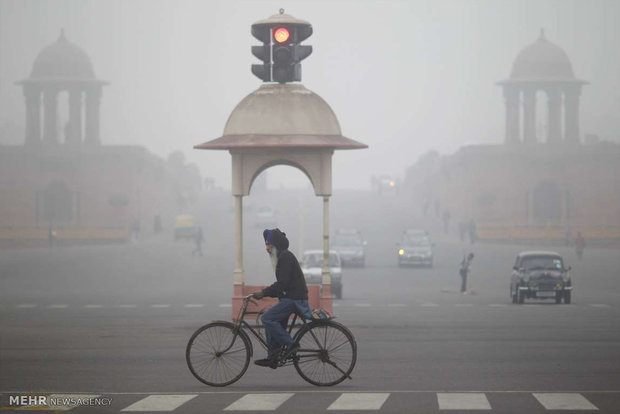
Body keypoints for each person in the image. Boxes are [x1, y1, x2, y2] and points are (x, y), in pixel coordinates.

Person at [252, 228, 312, 369]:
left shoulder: (285, 257)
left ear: (276, 245)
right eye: (266, 245)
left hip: (294, 299)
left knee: (267, 318)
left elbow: (282, 284)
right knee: (270, 321)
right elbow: (282, 286)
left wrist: (263, 293)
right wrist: (266, 293)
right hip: (288, 298)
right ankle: (273, 356)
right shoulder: (282, 257)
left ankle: (292, 344)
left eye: (269, 245)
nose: (267, 248)